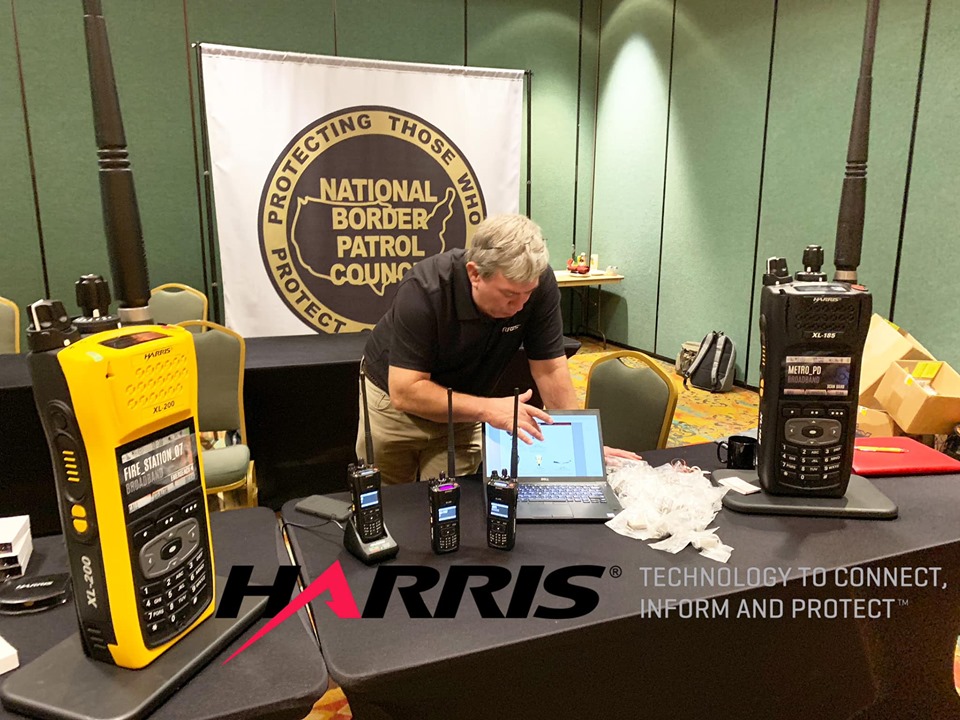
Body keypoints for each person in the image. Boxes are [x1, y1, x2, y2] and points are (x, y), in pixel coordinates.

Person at [356, 213, 640, 484]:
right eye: (509, 295)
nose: (520, 306)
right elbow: (406, 392)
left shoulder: (537, 286)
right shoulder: (425, 289)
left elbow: (550, 369)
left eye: (528, 294)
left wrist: (579, 445)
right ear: (474, 274)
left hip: (466, 407)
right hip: (394, 407)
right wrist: (489, 409)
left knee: (454, 501)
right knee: (390, 502)